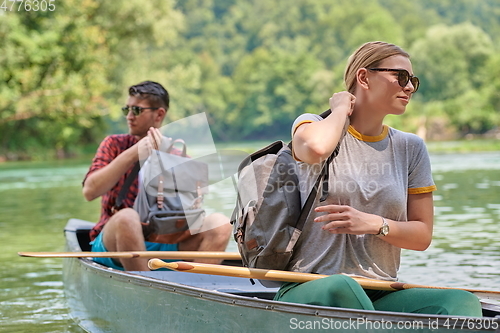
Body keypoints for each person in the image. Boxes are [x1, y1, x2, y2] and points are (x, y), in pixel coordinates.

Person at [274, 42, 482, 316]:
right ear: (363, 78)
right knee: (343, 287)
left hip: (381, 292)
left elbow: (421, 236)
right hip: (311, 287)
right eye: (401, 77)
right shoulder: (312, 125)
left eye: (413, 81)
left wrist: (374, 224)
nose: (409, 87)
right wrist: (339, 110)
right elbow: (315, 150)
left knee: (461, 302)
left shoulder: (411, 147)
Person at [82, 81, 232, 271]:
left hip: (167, 240)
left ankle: (192, 289)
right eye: (126, 109)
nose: (129, 116)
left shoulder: (179, 157)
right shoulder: (114, 144)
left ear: (159, 114)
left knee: (220, 223)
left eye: (136, 110)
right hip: (116, 241)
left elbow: (190, 214)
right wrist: (133, 152)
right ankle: (147, 287)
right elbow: (89, 191)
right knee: (128, 217)